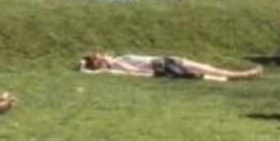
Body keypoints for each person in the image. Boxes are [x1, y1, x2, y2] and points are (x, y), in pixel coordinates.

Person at [79, 53, 263, 81]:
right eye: (99, 57)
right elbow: (133, 70)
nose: (103, 55)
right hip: (163, 64)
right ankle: (242, 74)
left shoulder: (115, 63)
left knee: (202, 73)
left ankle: (240, 75)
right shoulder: (114, 64)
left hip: (164, 63)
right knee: (204, 71)